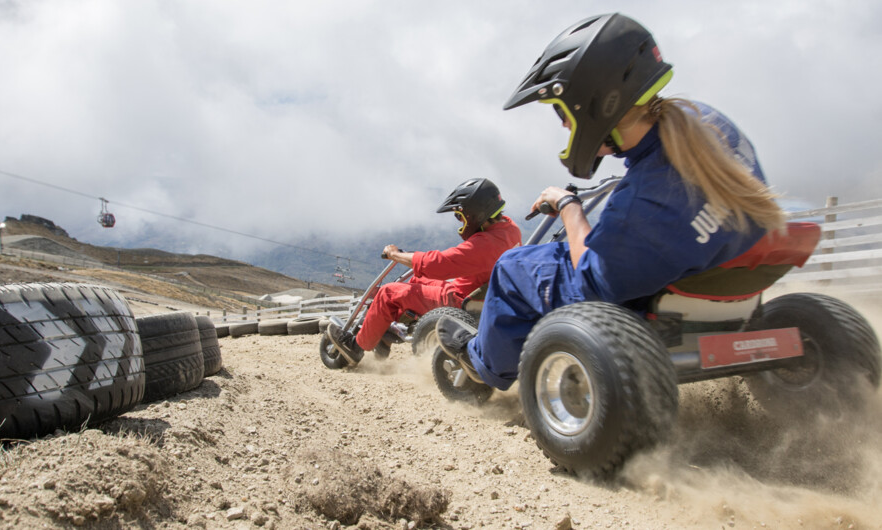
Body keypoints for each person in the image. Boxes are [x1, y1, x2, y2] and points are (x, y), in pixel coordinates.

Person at [436, 13, 787, 390]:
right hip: (724, 263)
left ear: (597, 105)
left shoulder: (642, 199)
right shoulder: (704, 122)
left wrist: (568, 205)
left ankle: (482, 364)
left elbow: (591, 281)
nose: (563, 125)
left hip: (641, 292)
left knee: (511, 266)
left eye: (562, 111)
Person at [327, 178, 522, 364]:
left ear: (475, 214)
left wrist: (395, 254)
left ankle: (356, 346)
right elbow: (441, 264)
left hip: (460, 300)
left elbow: (439, 264)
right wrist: (414, 260)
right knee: (416, 278)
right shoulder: (509, 229)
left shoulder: (485, 244)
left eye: (460, 216)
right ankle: (384, 332)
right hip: (478, 295)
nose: (460, 221)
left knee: (388, 292)